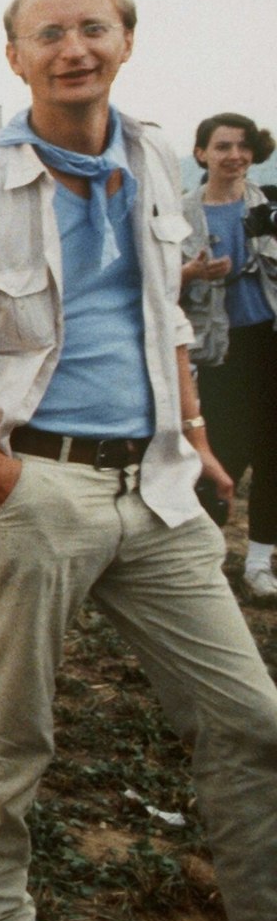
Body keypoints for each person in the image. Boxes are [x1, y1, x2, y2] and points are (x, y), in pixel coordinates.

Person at [0, 0, 277, 921]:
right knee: (11, 725)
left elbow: (161, 318)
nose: (74, 49)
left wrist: (190, 429)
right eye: (49, 34)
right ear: (15, 57)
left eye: (92, 29)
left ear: (125, 40)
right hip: (39, 488)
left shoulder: (154, 160)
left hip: (155, 490)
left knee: (250, 719)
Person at [181, 112, 277, 598]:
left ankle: (260, 562)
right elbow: (152, 287)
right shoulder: (179, 214)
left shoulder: (271, 205)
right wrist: (191, 275)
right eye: (222, 147)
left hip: (271, 339)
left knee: (274, 453)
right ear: (201, 153)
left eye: (242, 146)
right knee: (219, 454)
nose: (234, 156)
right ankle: (201, 560)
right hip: (219, 351)